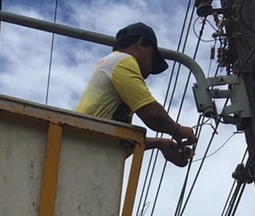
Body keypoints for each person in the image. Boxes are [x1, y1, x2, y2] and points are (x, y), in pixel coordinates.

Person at [76, 22, 196, 167]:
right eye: (152, 60)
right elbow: (151, 113)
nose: (150, 70)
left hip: (81, 150)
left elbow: (118, 140)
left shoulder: (111, 63)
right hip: (82, 153)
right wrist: (177, 130)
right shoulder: (123, 61)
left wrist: (160, 143)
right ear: (141, 43)